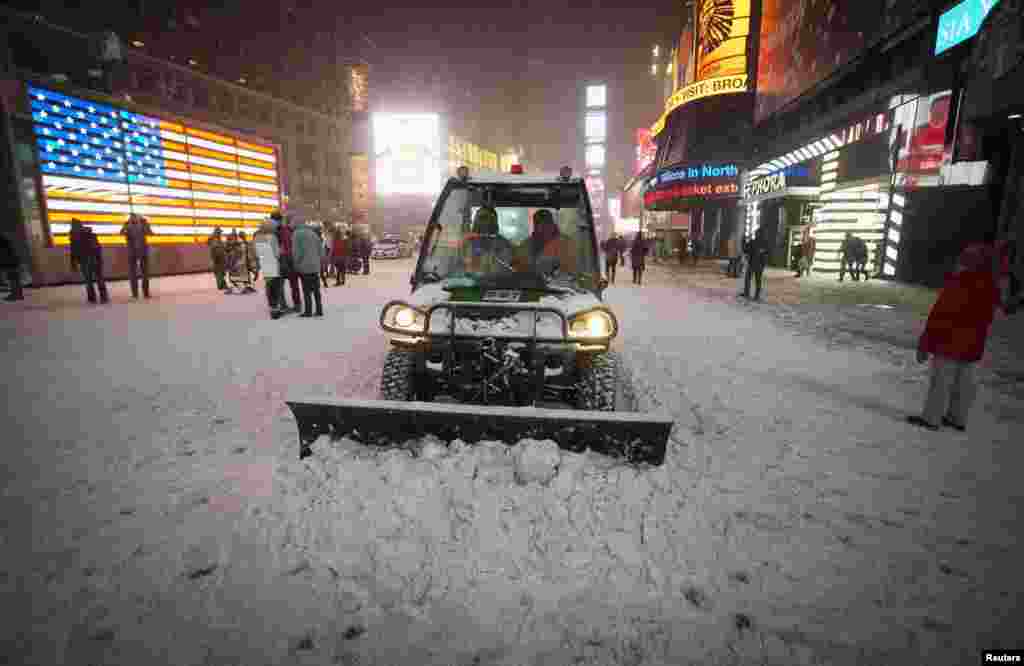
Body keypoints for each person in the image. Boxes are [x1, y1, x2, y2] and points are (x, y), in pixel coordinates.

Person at [908, 244, 1005, 432]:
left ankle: (932, 418)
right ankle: (957, 418)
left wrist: (926, 341)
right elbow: (990, 316)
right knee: (964, 383)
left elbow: (941, 313)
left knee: (941, 381)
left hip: (948, 340)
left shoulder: (959, 282)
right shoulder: (990, 286)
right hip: (973, 343)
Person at [69, 219, 109, 304]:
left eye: (73, 226)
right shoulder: (74, 237)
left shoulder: (86, 235)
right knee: (93, 279)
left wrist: (74, 262)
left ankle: (98, 297)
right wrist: (74, 262)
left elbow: (74, 251)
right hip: (88, 260)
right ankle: (98, 297)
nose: (72, 228)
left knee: (93, 279)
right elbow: (73, 251)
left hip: (90, 260)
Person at [253, 217, 285, 319]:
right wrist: (281, 251)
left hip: (265, 263)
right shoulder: (272, 237)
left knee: (269, 286)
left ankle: (272, 308)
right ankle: (275, 309)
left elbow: (257, 253)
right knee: (276, 287)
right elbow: (277, 253)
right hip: (273, 263)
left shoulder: (257, 237)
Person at [291, 221, 324, 317]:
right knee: (316, 290)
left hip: (304, 266)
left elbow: (296, 251)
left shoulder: (296, 234)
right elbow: (321, 251)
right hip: (315, 266)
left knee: (306, 290)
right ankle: (319, 309)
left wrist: (296, 263)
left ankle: (308, 311)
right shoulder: (313, 233)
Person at [120, 214, 153, 298]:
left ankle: (137, 293)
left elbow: (150, 233)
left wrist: (126, 225)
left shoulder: (130, 225)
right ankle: (143, 293)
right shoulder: (139, 224)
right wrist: (145, 223)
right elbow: (150, 233)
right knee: (142, 273)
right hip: (138, 252)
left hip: (134, 252)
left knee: (135, 273)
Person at [275, 214, 302, 312]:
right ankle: (295, 304)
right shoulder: (287, 231)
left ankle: (287, 304)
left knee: (287, 284)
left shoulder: (284, 231)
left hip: (286, 260)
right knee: (292, 284)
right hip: (288, 259)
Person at [743, 226, 770, 301]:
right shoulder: (764, 242)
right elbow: (768, 252)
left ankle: (748, 293)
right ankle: (755, 295)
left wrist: (744, 241)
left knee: (750, 278)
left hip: (754, 263)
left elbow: (746, 250)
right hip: (758, 264)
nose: (756, 234)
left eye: (756, 233)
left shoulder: (754, 241)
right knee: (756, 279)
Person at [0, 232, 25, 302]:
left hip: (9, 261)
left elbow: (4, 251)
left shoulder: (2, 241)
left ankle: (17, 294)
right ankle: (17, 294)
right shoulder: (4, 240)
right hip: (11, 260)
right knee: (13, 278)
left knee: (13, 278)